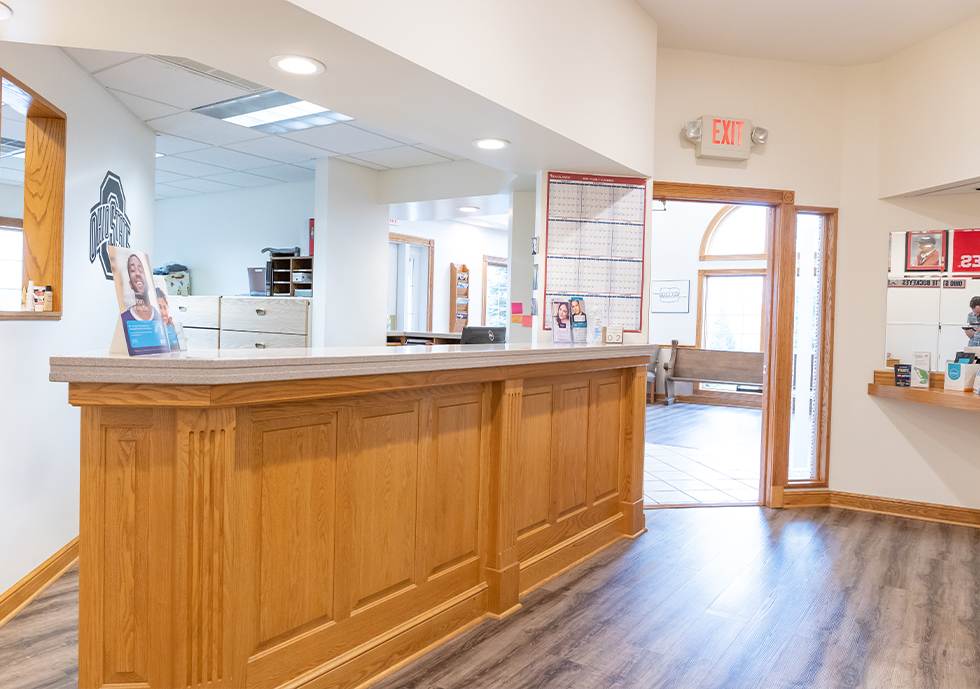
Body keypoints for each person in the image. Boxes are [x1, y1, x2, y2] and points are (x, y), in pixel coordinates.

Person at [120, 254, 162, 324]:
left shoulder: (160, 317)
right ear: (130, 284)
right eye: (133, 270)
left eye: (140, 270)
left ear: (148, 284)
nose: (137, 274)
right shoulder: (124, 319)